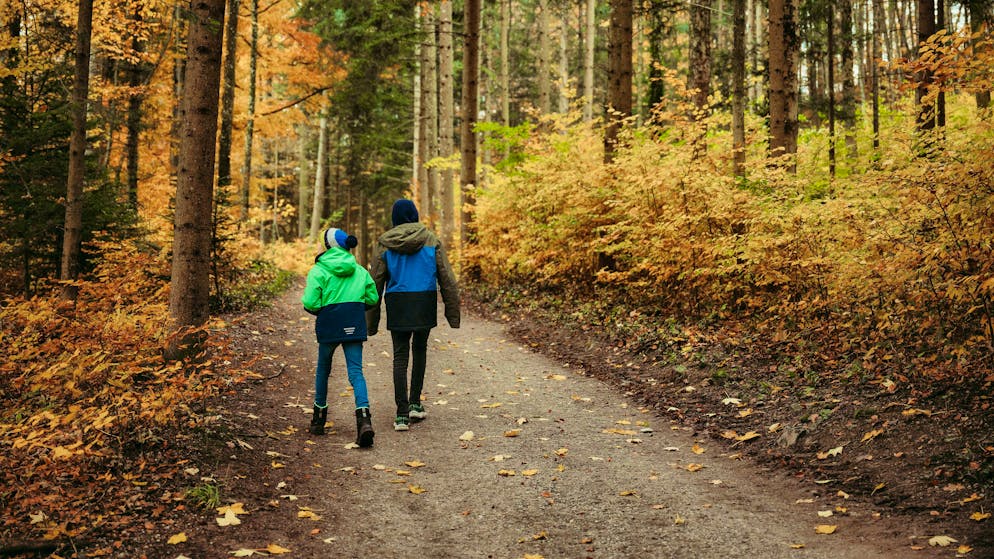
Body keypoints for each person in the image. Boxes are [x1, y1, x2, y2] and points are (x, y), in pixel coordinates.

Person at [367, 199, 460, 432]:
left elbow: (375, 282)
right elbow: (447, 278)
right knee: (420, 350)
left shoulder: (385, 243)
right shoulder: (431, 239)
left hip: (398, 303)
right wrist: (453, 312)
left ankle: (401, 414)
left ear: (395, 219)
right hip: (424, 301)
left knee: (400, 356)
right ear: (415, 216)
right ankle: (416, 404)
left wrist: (371, 321)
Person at [301, 227, 380, 447]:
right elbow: (372, 298)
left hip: (329, 325)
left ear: (327, 246)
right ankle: (364, 420)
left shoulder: (318, 270)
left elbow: (310, 302)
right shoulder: (360, 270)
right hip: (353, 323)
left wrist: (323, 309)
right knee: (356, 372)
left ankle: (318, 419)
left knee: (323, 370)